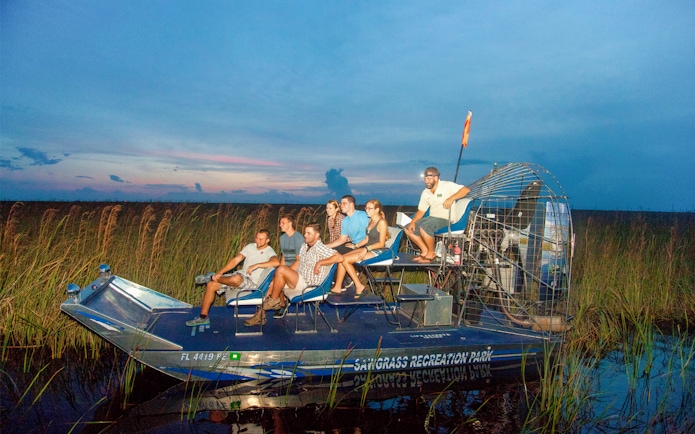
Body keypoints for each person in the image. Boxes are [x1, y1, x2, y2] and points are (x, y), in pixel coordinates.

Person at [244, 222, 343, 326]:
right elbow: (299, 262)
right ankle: (261, 315)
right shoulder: (305, 246)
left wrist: (320, 263)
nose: (305, 235)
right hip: (299, 278)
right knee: (272, 282)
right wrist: (283, 272)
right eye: (305, 232)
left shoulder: (320, 247)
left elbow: (339, 257)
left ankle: (275, 300)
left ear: (317, 235)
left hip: (309, 284)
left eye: (309, 233)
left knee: (281, 270)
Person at [186, 229, 278, 326]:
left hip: (252, 283)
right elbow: (236, 260)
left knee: (236, 278)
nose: (257, 241)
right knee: (211, 285)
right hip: (241, 276)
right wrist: (221, 272)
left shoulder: (269, 251)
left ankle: (211, 277)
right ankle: (203, 317)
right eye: (256, 238)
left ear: (267, 240)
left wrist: (257, 265)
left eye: (261, 239)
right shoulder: (250, 246)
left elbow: (276, 262)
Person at [405, 167, 470, 263]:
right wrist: (413, 222)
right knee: (407, 228)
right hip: (432, 218)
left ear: (436, 178)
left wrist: (451, 198)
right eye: (425, 179)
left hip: (446, 219)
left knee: (425, 227)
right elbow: (421, 211)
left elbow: (466, 190)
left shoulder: (446, 185)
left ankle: (431, 254)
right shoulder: (425, 193)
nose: (427, 181)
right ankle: (425, 251)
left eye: (429, 178)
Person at [329, 199, 389, 298]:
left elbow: (381, 243)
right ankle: (338, 287)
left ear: (377, 209)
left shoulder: (381, 222)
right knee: (341, 257)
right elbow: (367, 238)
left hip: (378, 251)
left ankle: (359, 286)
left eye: (370, 208)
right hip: (368, 248)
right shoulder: (371, 221)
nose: (367, 210)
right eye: (366, 208)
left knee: (345, 260)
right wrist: (355, 246)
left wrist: (366, 249)